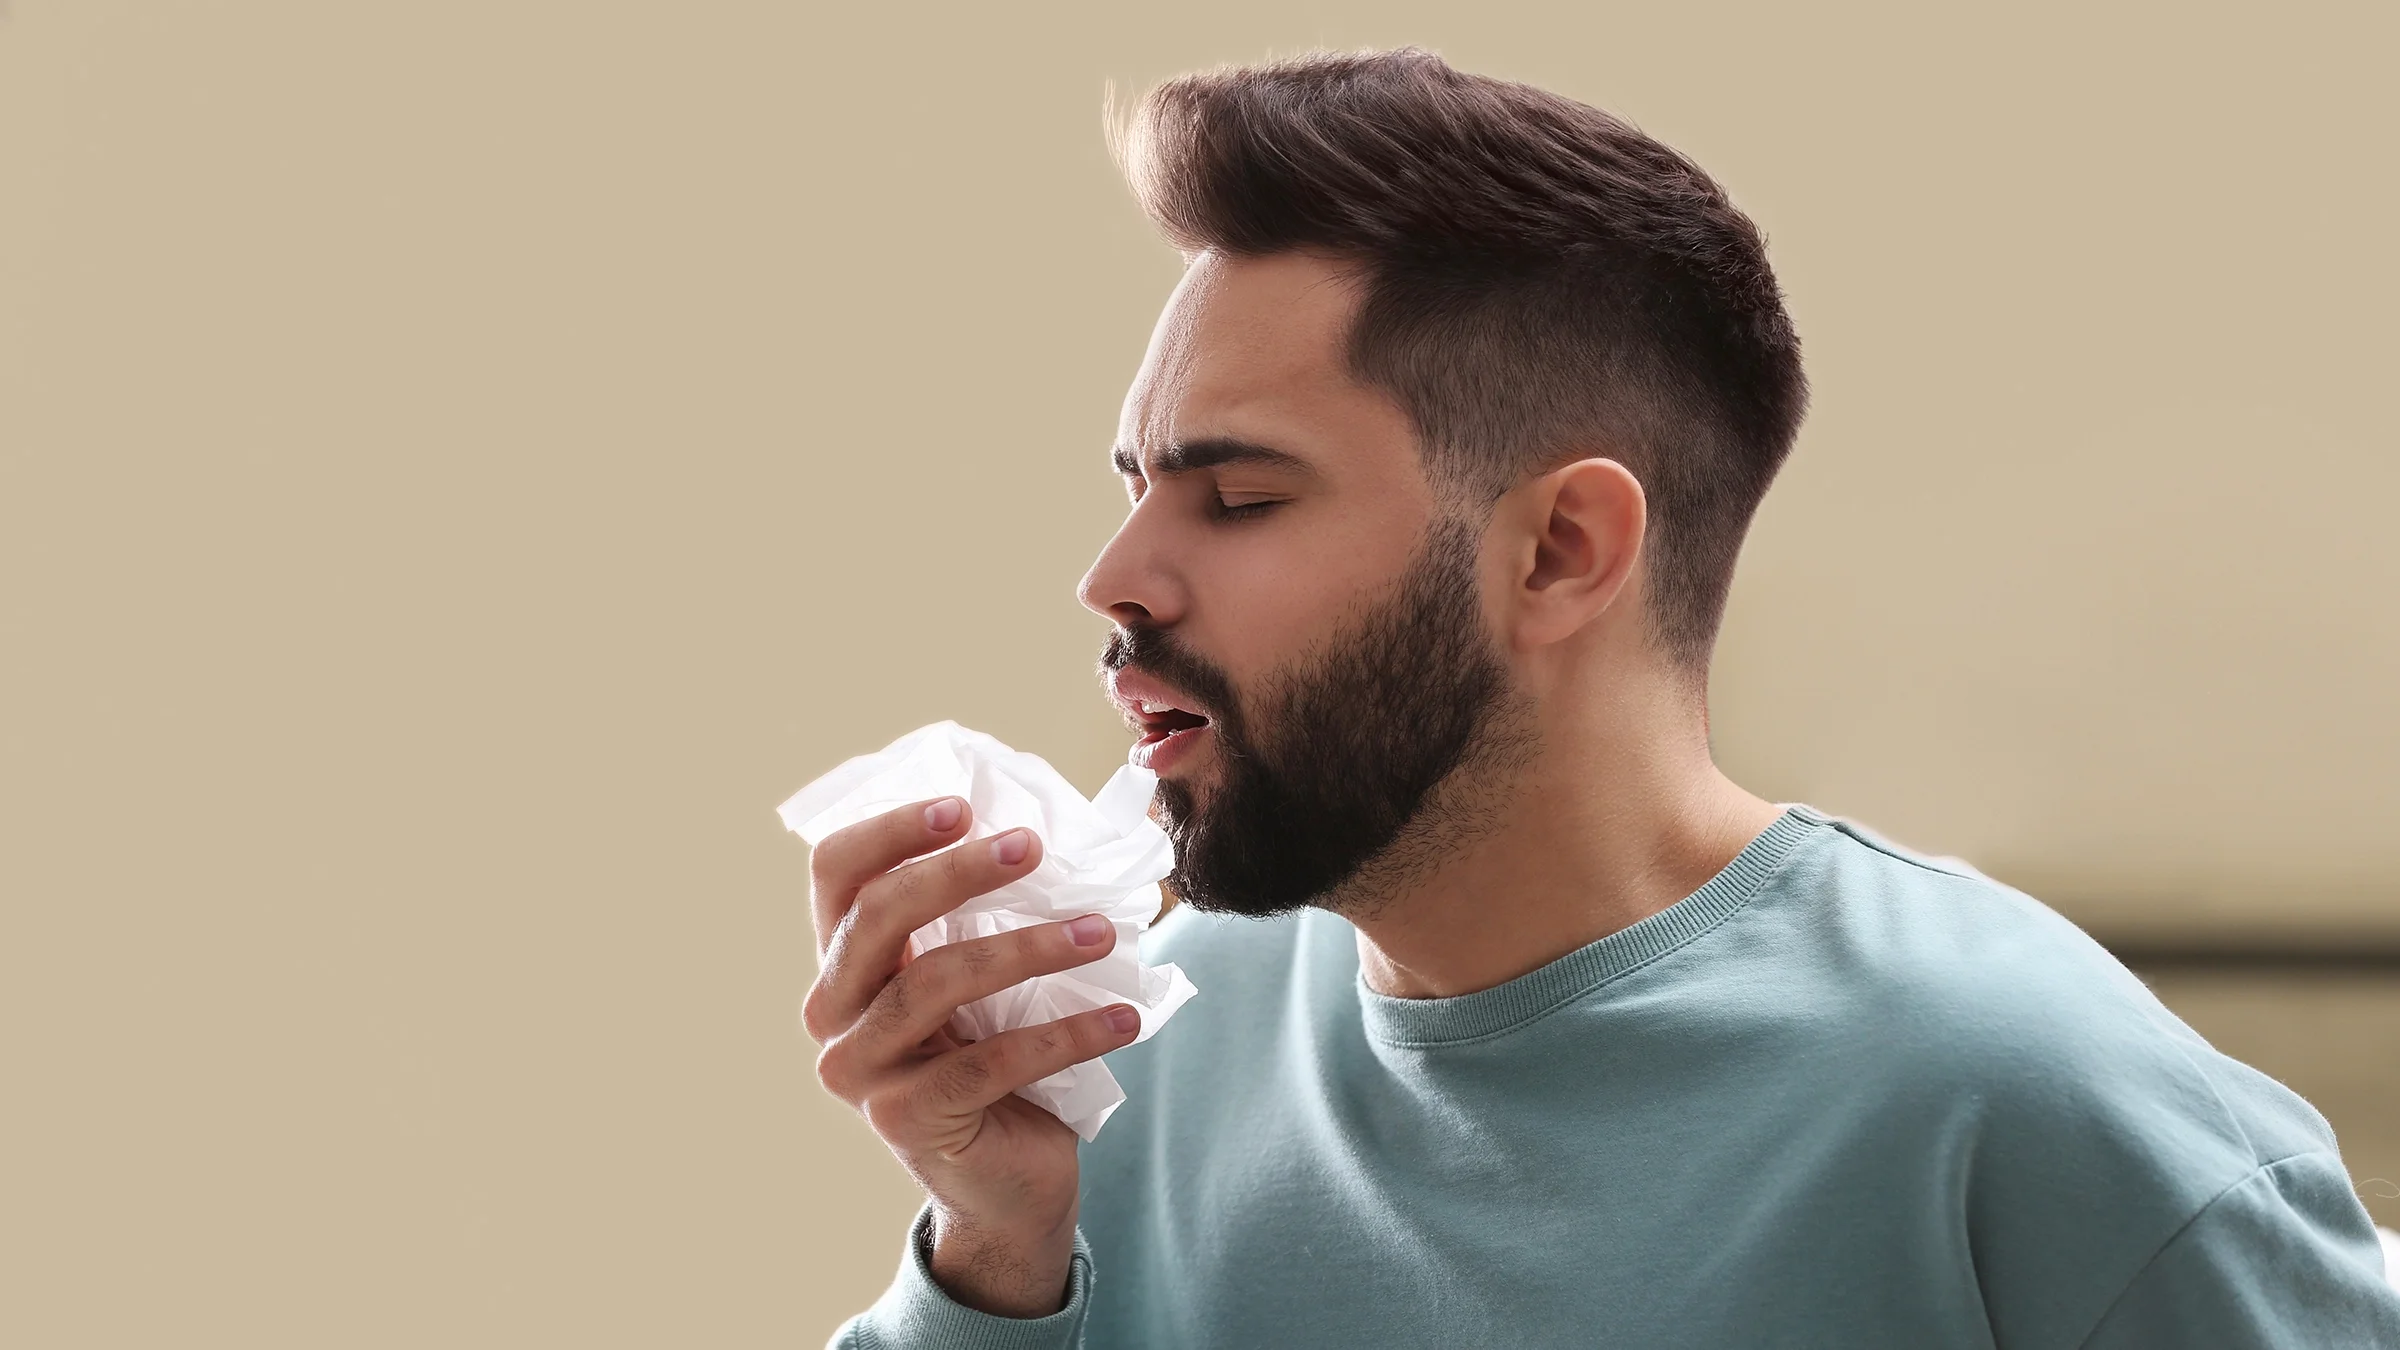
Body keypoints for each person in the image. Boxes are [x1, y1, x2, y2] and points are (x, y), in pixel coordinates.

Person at [802, 47, 2400, 1348]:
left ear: (1562, 549)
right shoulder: (1135, 1052)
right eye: (1136, 485)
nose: (1117, 576)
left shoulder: (2024, 1100)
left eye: (1238, 498)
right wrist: (992, 1256)